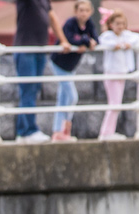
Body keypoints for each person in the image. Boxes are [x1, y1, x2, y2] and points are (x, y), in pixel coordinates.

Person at [14, 0, 71, 144]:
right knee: (28, 89)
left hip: (40, 48)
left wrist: (63, 40)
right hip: (25, 48)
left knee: (34, 89)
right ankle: (28, 131)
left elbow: (52, 18)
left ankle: (24, 131)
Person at [49, 0, 98, 142]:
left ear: (90, 12)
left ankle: (59, 132)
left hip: (70, 67)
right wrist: (85, 41)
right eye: (80, 10)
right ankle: (64, 129)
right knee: (72, 97)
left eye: (86, 10)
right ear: (75, 11)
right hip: (59, 64)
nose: (83, 13)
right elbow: (71, 39)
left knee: (62, 98)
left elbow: (95, 38)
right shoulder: (70, 23)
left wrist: (89, 42)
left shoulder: (89, 24)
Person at [97, 10, 139, 141]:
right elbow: (103, 41)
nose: (120, 26)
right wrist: (116, 45)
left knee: (116, 103)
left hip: (122, 72)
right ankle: (106, 132)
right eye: (117, 23)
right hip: (112, 73)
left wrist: (127, 44)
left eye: (122, 23)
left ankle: (109, 131)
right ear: (111, 24)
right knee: (114, 104)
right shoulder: (108, 36)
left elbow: (137, 37)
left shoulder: (126, 35)